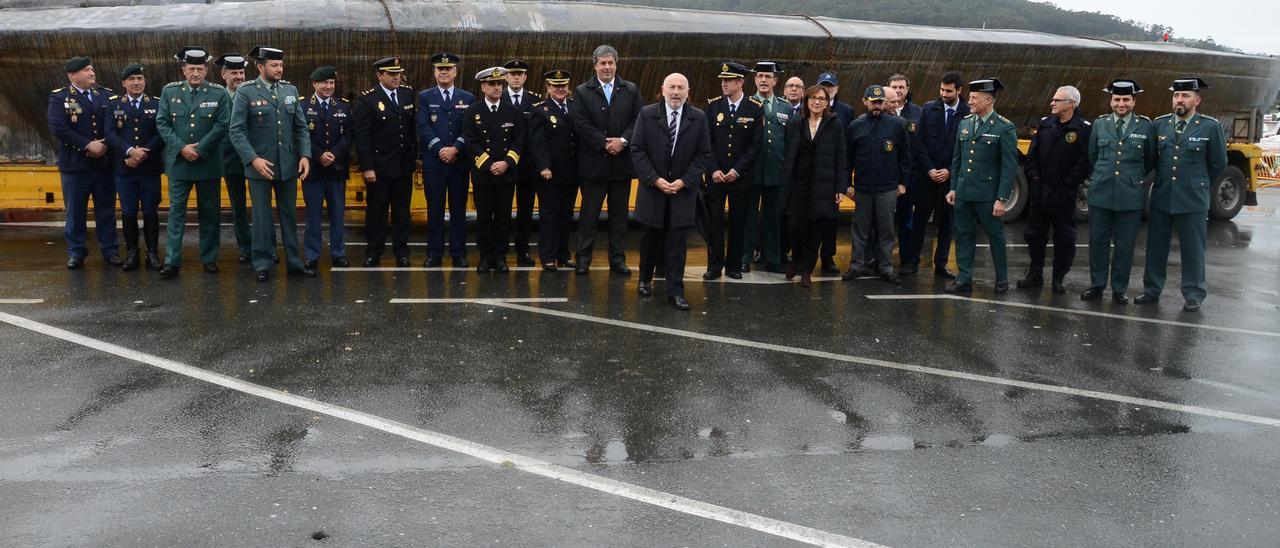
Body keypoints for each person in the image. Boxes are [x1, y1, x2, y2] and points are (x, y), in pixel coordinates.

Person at [1138, 77, 1227, 312]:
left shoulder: (1209, 126)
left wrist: (1197, 183)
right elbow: (1151, 159)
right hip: (1162, 195)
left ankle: (1193, 293)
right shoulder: (1160, 125)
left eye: (1185, 96)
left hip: (1193, 198)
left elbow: (1218, 164)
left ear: (1196, 100)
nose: (1180, 100)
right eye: (1176, 95)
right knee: (1156, 246)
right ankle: (1151, 290)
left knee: (1193, 248)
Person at [631, 73, 712, 310]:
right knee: (650, 239)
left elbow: (703, 155)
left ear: (688, 91)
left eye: (681, 88)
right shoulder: (647, 114)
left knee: (677, 243)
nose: (676, 92)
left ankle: (675, 291)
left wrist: (684, 181)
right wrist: (654, 179)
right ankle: (645, 279)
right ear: (663, 89)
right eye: (672, 87)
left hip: (682, 193)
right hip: (653, 190)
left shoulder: (698, 118)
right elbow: (637, 149)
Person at [155, 47, 230, 278]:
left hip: (207, 163)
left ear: (206, 70)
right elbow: (163, 123)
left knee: (210, 214)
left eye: (199, 69)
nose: (195, 73)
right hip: (180, 163)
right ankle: (172, 262)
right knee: (176, 214)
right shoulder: (170, 91)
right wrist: (182, 148)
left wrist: (200, 148)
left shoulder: (218, 93)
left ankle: (209, 259)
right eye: (191, 69)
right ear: (183, 70)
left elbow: (222, 124)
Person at [569, 44, 642, 275]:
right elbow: (580, 124)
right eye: (603, 63)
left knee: (619, 217)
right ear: (595, 66)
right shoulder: (582, 92)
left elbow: (638, 120)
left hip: (621, 165)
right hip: (593, 166)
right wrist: (605, 143)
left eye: (611, 63)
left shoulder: (630, 90)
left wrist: (622, 141)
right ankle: (583, 259)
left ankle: (618, 260)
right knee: (589, 215)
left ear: (616, 64)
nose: (607, 67)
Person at [1082, 79, 1155, 304]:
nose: (1120, 104)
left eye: (1125, 100)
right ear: (1110, 101)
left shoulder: (1145, 126)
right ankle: (1096, 285)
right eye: (1116, 99)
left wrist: (1132, 178)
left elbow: (1150, 159)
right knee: (1098, 242)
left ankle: (1119, 289)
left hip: (1130, 195)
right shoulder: (1100, 124)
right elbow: (1092, 155)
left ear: (1133, 101)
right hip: (1101, 192)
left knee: (1124, 245)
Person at [944, 78, 1017, 293]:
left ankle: (1001, 279)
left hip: (988, 195)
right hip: (964, 192)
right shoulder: (965, 123)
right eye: (971, 97)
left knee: (996, 237)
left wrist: (1002, 198)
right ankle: (964, 277)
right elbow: (957, 159)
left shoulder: (1004, 127)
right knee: (964, 235)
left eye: (975, 98)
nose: (970, 101)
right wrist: (953, 188)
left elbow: (1009, 166)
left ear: (988, 100)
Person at [1017, 85, 1092, 293]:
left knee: (1064, 239)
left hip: (1064, 194)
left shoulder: (1083, 129)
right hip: (1041, 192)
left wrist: (1069, 184)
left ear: (1071, 104)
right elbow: (1032, 155)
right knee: (1034, 235)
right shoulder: (1045, 124)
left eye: (1057, 100)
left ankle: (1059, 277)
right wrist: (1034, 177)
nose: (1052, 103)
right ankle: (1035, 273)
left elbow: (1084, 161)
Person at [47, 56, 119, 269]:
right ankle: (76, 252)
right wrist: (88, 145)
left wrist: (104, 144)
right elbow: (58, 128)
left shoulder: (105, 95)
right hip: (75, 166)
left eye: (92, 69)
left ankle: (110, 250)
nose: (92, 73)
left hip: (103, 164)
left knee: (106, 210)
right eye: (86, 70)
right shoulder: (60, 98)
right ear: (73, 75)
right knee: (76, 212)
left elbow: (113, 124)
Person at [780, 85, 850, 288]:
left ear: (827, 102)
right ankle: (795, 259)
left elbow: (841, 157)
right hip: (799, 183)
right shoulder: (796, 122)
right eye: (812, 98)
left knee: (816, 229)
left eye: (821, 98)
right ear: (806, 100)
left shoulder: (834, 124)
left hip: (824, 185)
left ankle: (807, 269)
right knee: (795, 225)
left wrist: (840, 187)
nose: (816, 102)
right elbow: (788, 153)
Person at [901, 71, 967, 279]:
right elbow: (918, 142)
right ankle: (912, 262)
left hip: (950, 178)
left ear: (959, 90)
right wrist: (930, 169)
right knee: (919, 221)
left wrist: (949, 171)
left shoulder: (967, 113)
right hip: (926, 177)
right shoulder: (929, 108)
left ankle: (941, 264)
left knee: (947, 224)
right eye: (942, 90)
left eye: (949, 91)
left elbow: (964, 147)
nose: (944, 94)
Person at [843, 84, 909, 284]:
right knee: (860, 229)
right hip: (862, 188)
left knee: (886, 230)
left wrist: (903, 183)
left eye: (880, 102)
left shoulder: (897, 125)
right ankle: (856, 265)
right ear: (865, 102)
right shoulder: (856, 125)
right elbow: (847, 158)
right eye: (873, 102)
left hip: (887, 188)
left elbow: (905, 156)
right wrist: (848, 183)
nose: (877, 106)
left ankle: (886, 267)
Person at [355, 56, 417, 267]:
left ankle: (401, 251)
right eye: (391, 74)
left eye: (398, 73)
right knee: (377, 212)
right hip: (379, 167)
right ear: (380, 75)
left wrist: (414, 159)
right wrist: (367, 167)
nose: (396, 77)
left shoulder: (407, 94)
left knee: (402, 212)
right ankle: (374, 251)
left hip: (403, 165)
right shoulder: (368, 100)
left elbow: (411, 130)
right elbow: (362, 137)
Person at [701, 61, 761, 280]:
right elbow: (706, 142)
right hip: (716, 177)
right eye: (723, 80)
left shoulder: (754, 108)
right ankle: (714, 266)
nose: (724, 84)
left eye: (728, 80)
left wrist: (737, 170)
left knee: (739, 223)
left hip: (740, 178)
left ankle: (734, 265)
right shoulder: (714, 107)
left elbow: (755, 145)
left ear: (740, 82)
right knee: (714, 223)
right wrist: (713, 169)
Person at [463, 67, 526, 273]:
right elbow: (471, 142)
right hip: (483, 175)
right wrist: (489, 164)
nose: (497, 87)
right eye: (492, 84)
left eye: (499, 84)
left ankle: (500, 256)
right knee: (483, 218)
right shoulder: (473, 112)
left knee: (503, 218)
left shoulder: (512, 111)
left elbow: (519, 141)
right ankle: (485, 256)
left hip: (506, 175)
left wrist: (507, 162)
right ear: (483, 87)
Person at [103, 63, 164, 271]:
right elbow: (110, 134)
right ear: (124, 83)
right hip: (124, 168)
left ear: (145, 82)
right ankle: (131, 252)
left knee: (150, 211)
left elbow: (161, 133)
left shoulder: (156, 104)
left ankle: (152, 252)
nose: (136, 83)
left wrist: (142, 153)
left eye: (140, 79)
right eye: (131, 79)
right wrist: (130, 152)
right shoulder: (113, 105)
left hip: (149, 168)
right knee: (128, 212)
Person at [215, 52, 270, 264]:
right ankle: (245, 247)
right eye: (234, 73)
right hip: (231, 160)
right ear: (224, 74)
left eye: (241, 72)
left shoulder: (254, 92)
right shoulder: (218, 96)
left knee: (262, 206)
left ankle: (267, 247)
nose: (238, 76)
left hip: (257, 158)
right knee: (238, 207)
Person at [417, 52, 471, 267]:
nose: (444, 72)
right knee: (435, 210)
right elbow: (423, 127)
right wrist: (440, 149)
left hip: (458, 163)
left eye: (448, 69)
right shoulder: (425, 97)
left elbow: (469, 128)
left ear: (455, 72)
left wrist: (455, 149)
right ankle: (434, 253)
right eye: (440, 69)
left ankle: (458, 253)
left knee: (459, 210)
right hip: (435, 163)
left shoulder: (467, 98)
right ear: (435, 72)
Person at [742, 61, 791, 274]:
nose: (763, 80)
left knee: (773, 217)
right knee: (748, 218)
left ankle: (773, 258)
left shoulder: (785, 107)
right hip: (751, 172)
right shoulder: (746, 104)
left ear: (775, 80)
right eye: (760, 76)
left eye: (767, 76)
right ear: (754, 79)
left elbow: (789, 142)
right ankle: (743, 257)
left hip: (776, 172)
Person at [302, 65, 352, 269]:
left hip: (336, 169)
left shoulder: (344, 106)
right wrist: (319, 155)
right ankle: (312, 255)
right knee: (313, 215)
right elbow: (301, 136)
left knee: (337, 215)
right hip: (313, 170)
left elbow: (349, 135)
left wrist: (334, 154)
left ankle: (338, 253)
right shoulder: (303, 106)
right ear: (315, 84)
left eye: (331, 83)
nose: (329, 86)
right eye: (325, 83)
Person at [528, 69, 579, 271]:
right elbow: (536, 141)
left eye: (563, 86)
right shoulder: (540, 109)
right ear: (548, 87)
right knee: (550, 215)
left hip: (571, 171)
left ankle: (563, 254)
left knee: (566, 215)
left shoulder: (575, 107)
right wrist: (543, 166)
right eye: (556, 86)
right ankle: (547, 256)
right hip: (549, 173)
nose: (560, 89)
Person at [503, 58, 542, 266]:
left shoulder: (534, 101)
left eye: (520, 74)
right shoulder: (498, 98)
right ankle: (500, 249)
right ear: (506, 77)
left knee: (525, 209)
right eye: (512, 74)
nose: (516, 77)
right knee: (502, 208)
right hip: (505, 162)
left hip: (527, 163)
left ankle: (522, 249)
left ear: (525, 77)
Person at [814, 72, 851, 275]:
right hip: (813, 175)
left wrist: (843, 183)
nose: (827, 90)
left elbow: (846, 150)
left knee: (830, 221)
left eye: (830, 87)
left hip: (833, 175)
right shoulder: (810, 108)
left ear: (836, 89)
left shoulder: (846, 112)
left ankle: (828, 258)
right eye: (823, 86)